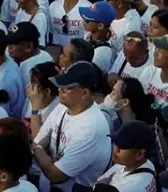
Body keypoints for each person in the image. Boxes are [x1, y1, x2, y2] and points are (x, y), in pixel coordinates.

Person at [29, 61, 112, 191]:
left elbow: (55, 175)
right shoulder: (63, 106)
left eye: (67, 87)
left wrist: (39, 149)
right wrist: (43, 151)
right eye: (60, 85)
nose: (60, 90)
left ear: (84, 93)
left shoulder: (90, 129)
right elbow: (37, 139)